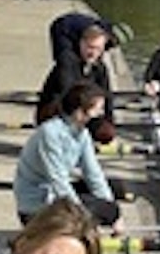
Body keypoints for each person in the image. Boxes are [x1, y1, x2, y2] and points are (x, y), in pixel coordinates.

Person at [14, 82, 122, 230]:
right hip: (36, 203)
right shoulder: (50, 133)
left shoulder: (82, 134)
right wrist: (80, 215)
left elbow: (93, 173)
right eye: (98, 109)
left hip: (54, 195)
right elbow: (58, 179)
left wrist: (113, 212)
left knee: (112, 194)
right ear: (80, 111)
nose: (101, 113)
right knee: (98, 208)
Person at [36, 22, 116, 143]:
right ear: (81, 43)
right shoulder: (67, 61)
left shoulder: (100, 68)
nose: (93, 53)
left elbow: (107, 95)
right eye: (90, 47)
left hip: (87, 110)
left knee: (106, 132)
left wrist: (109, 121)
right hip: (58, 110)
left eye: (98, 49)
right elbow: (68, 93)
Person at [47, 12, 130, 64]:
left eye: (118, 42)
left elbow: (99, 52)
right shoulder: (96, 30)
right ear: (112, 34)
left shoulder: (108, 40)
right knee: (66, 58)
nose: (115, 43)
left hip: (78, 33)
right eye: (116, 40)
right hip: (62, 29)